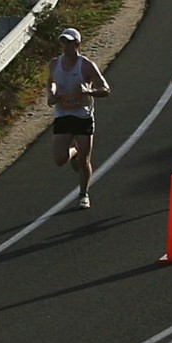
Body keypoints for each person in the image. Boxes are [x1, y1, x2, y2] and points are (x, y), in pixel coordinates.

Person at [49, 26, 112, 208]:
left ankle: (83, 194)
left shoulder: (86, 65)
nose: (65, 47)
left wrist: (88, 91)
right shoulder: (54, 64)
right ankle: (73, 151)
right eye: (63, 43)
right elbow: (51, 82)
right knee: (59, 159)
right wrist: (51, 94)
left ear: (77, 44)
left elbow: (106, 89)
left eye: (69, 43)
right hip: (63, 114)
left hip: (82, 116)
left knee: (84, 161)